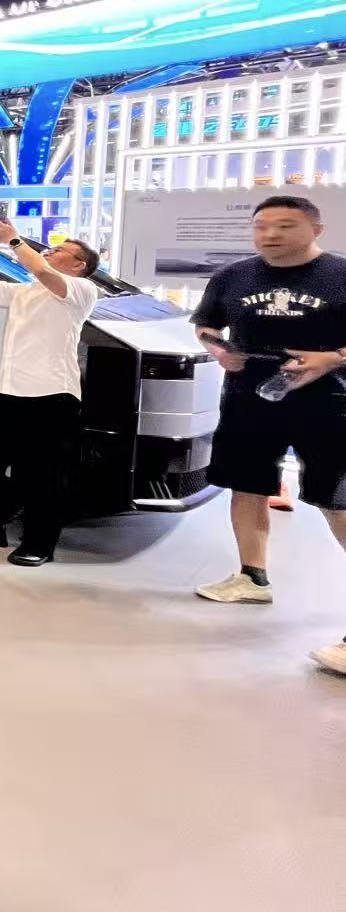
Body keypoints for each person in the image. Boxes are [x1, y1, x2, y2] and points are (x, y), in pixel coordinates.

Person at [189, 195, 346, 675]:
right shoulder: (233, 276)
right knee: (247, 485)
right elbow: (205, 325)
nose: (270, 234)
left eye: (285, 225)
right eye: (261, 226)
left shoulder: (340, 275)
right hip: (248, 398)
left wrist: (332, 358)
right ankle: (252, 578)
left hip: (329, 402)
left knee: (337, 502)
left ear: (315, 229)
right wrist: (219, 351)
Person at [0, 220, 101, 566]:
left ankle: (40, 544)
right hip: (9, 389)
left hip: (51, 394)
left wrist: (13, 240)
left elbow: (42, 270)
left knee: (41, 475)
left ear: (79, 266)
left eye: (60, 250)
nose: (51, 251)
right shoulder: (26, 291)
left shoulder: (81, 290)